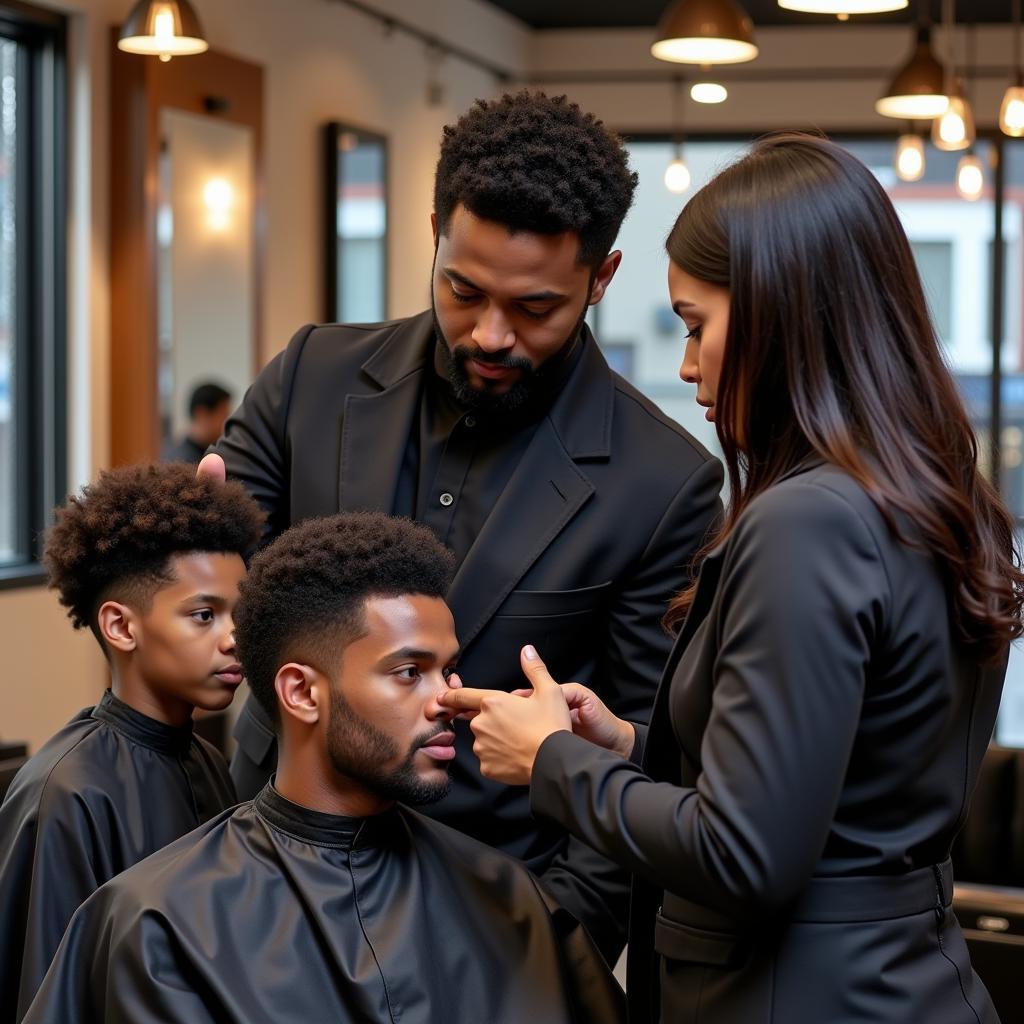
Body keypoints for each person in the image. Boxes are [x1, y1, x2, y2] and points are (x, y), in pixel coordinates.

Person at [440, 133, 1023, 1023]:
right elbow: (840, 787)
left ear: (783, 315)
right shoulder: (935, 498)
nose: (685, 364)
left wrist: (551, 762)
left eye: (695, 325)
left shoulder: (809, 522)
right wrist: (630, 749)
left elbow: (748, 855)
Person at [208, 90, 723, 957]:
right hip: (266, 883)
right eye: (463, 289)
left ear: (600, 278)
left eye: (535, 308)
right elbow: (219, 595)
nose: (491, 334)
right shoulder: (310, 376)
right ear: (434, 229)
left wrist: (551, 953)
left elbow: (638, 760)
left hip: (491, 919)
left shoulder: (665, 483)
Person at [24, 513, 626, 1024]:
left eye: (448, 670)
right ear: (302, 693)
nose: (448, 699)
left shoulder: (510, 899)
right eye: (409, 672)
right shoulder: (158, 926)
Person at [0, 463, 263, 1022]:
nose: (234, 638)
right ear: (121, 627)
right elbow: (49, 996)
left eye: (240, 614)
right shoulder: (66, 794)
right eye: (203, 615)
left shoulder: (208, 761)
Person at [163, 381, 233, 464]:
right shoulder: (181, 461)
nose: (227, 423)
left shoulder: (211, 454)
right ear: (201, 414)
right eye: (224, 415)